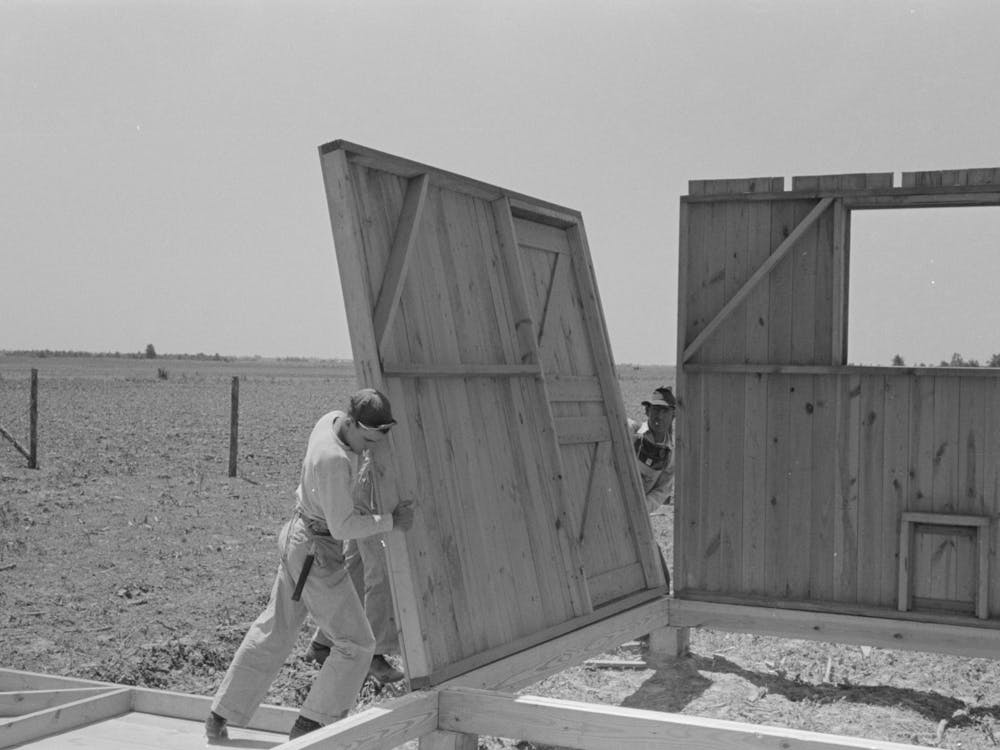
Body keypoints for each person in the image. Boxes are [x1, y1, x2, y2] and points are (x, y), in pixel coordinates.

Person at [205, 388, 415, 742]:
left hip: (298, 540)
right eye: (368, 439)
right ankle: (312, 726)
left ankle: (220, 713)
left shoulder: (331, 420)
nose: (369, 448)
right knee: (358, 644)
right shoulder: (333, 461)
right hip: (316, 555)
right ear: (353, 424)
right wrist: (391, 520)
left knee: (275, 630)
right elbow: (342, 527)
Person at [303, 520, 404, 684]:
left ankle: (324, 644)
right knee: (381, 569)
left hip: (359, 502)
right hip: (369, 504)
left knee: (357, 567)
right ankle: (373, 656)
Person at [627, 386, 675, 514]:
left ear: (673, 415)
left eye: (665, 411)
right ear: (647, 411)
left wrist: (642, 508)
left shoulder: (670, 455)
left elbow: (662, 490)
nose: (659, 416)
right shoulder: (629, 431)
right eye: (656, 409)